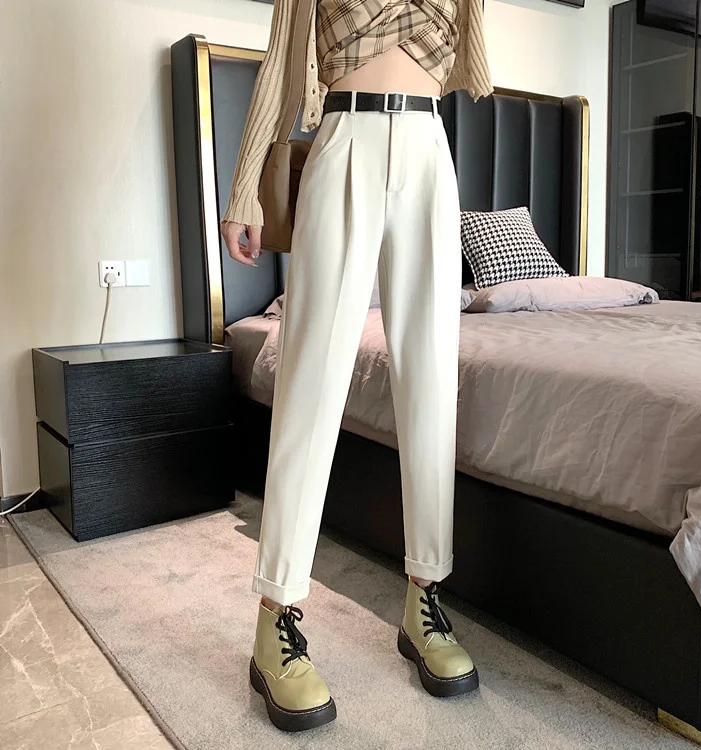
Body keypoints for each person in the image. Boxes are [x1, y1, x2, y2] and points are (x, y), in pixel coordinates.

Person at [221, 0, 492, 732]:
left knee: (432, 382)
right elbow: (283, 65)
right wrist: (246, 188)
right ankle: (276, 615)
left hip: (429, 146)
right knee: (310, 384)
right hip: (344, 138)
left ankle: (424, 600)